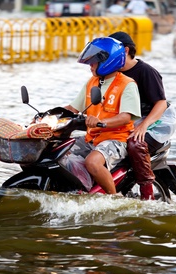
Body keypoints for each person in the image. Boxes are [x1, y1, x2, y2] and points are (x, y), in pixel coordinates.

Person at [65, 37, 141, 194]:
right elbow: (73, 108)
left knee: (92, 163)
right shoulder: (92, 82)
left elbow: (126, 117)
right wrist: (46, 117)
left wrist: (101, 122)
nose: (90, 66)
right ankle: (78, 189)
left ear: (108, 62)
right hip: (91, 138)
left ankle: (113, 201)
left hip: (116, 139)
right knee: (59, 153)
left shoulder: (127, 84)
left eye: (93, 62)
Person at [109, 31, 176, 200]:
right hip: (127, 119)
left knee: (135, 143)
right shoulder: (110, 73)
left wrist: (144, 125)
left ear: (124, 51)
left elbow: (161, 103)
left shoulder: (146, 71)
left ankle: (147, 194)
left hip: (155, 122)